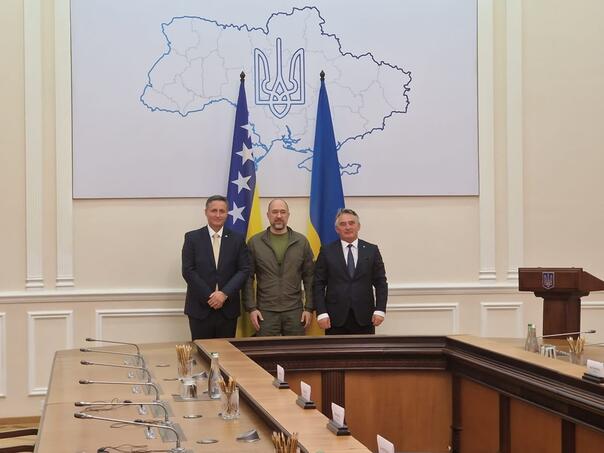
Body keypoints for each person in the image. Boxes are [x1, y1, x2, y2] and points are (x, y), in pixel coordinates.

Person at [181, 195, 250, 339]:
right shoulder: (192, 238)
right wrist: (211, 297)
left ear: (227, 213)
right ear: (206, 212)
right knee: (201, 351)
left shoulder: (237, 239)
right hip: (200, 308)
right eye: (214, 211)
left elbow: (244, 270)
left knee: (226, 351)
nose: (218, 215)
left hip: (227, 309)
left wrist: (224, 294)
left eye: (222, 211)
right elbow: (188, 270)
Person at [243, 199, 314, 336]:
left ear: (288, 215)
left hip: (295, 312)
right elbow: (247, 278)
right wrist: (251, 308)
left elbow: (310, 278)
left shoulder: (301, 242)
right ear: (268, 215)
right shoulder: (255, 242)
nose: (279, 216)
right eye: (274, 212)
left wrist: (309, 308)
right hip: (265, 312)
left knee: (297, 349)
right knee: (266, 349)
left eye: (283, 212)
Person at [313, 208, 387, 334]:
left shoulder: (371, 250)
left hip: (365, 317)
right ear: (337, 229)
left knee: (364, 348)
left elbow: (381, 282)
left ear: (358, 226)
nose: (347, 227)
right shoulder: (327, 251)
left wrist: (380, 310)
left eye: (351, 223)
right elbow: (318, 284)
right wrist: (321, 312)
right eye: (343, 224)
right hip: (334, 318)